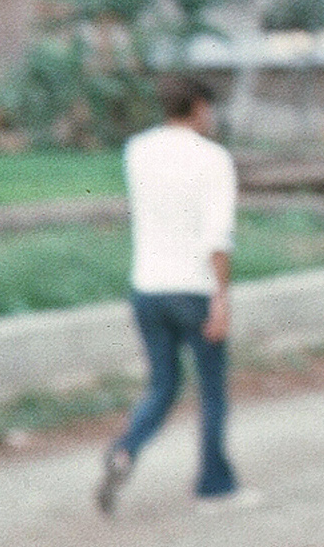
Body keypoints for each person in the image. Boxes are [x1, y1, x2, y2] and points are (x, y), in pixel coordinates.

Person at [98, 76, 240, 513]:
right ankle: (213, 484)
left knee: (163, 385)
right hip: (194, 288)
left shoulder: (137, 150)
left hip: (147, 286)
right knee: (211, 390)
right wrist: (222, 297)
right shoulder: (214, 158)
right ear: (198, 106)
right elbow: (218, 237)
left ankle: (125, 449)